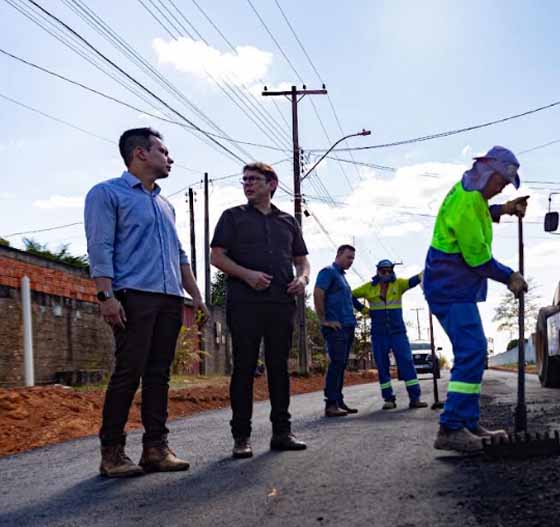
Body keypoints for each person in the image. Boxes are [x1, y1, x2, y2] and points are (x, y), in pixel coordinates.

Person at [84, 127, 206, 478]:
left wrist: (196, 297)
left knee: (159, 375)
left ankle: (155, 448)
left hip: (170, 299)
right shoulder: (107, 194)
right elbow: (100, 247)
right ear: (140, 154)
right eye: (163, 152)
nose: (170, 159)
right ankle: (112, 453)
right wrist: (106, 296)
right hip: (133, 297)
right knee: (128, 373)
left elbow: (180, 255)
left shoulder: (165, 204)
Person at [423, 146, 528, 453]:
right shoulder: (469, 202)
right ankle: (451, 428)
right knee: (472, 350)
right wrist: (510, 276)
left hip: (453, 286)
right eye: (502, 183)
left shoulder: (470, 190)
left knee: (473, 350)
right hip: (450, 287)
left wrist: (504, 209)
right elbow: (478, 260)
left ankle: (467, 423)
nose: (502, 189)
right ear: (489, 172)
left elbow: (482, 209)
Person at [210, 162, 310, 458]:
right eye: (244, 180)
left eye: (254, 179)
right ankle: (241, 437)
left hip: (281, 303)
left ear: (272, 184)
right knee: (244, 368)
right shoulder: (232, 217)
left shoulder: (288, 222)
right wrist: (247, 275)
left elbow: (301, 259)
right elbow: (217, 257)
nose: (247, 184)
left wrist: (302, 278)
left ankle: (282, 432)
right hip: (245, 304)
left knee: (279, 367)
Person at [352, 260, 429, 411]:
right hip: (379, 334)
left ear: (392, 271)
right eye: (383, 271)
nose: (386, 274)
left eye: (389, 271)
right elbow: (351, 295)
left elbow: (413, 281)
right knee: (382, 366)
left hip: (398, 332)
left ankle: (415, 398)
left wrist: (426, 271)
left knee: (406, 363)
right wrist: (363, 310)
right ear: (378, 271)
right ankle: (388, 399)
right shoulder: (369, 288)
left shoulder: (398, 284)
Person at [314, 245, 361, 417]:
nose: (351, 261)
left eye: (353, 259)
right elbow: (318, 293)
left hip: (347, 327)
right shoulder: (328, 272)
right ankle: (331, 404)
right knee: (336, 364)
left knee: (341, 365)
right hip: (335, 328)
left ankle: (339, 401)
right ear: (339, 255)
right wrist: (324, 320)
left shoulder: (342, 277)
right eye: (348, 257)